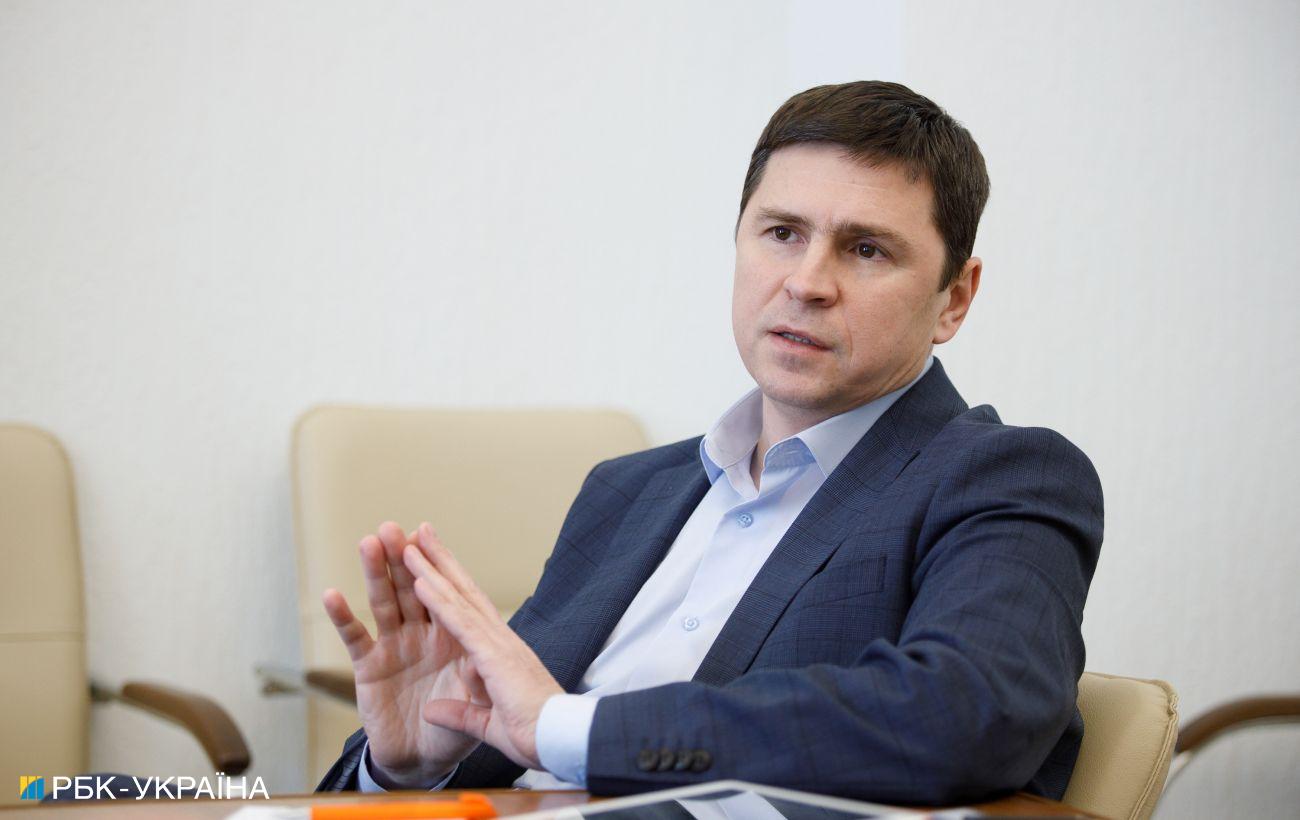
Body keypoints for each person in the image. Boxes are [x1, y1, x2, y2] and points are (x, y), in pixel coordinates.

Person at [314, 81, 1103, 806]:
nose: (807, 282)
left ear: (954, 299)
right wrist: (411, 764)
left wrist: (565, 728)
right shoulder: (627, 490)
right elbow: (503, 719)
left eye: (866, 249)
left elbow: (967, 713)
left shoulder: (1004, 478)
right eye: (782, 233)